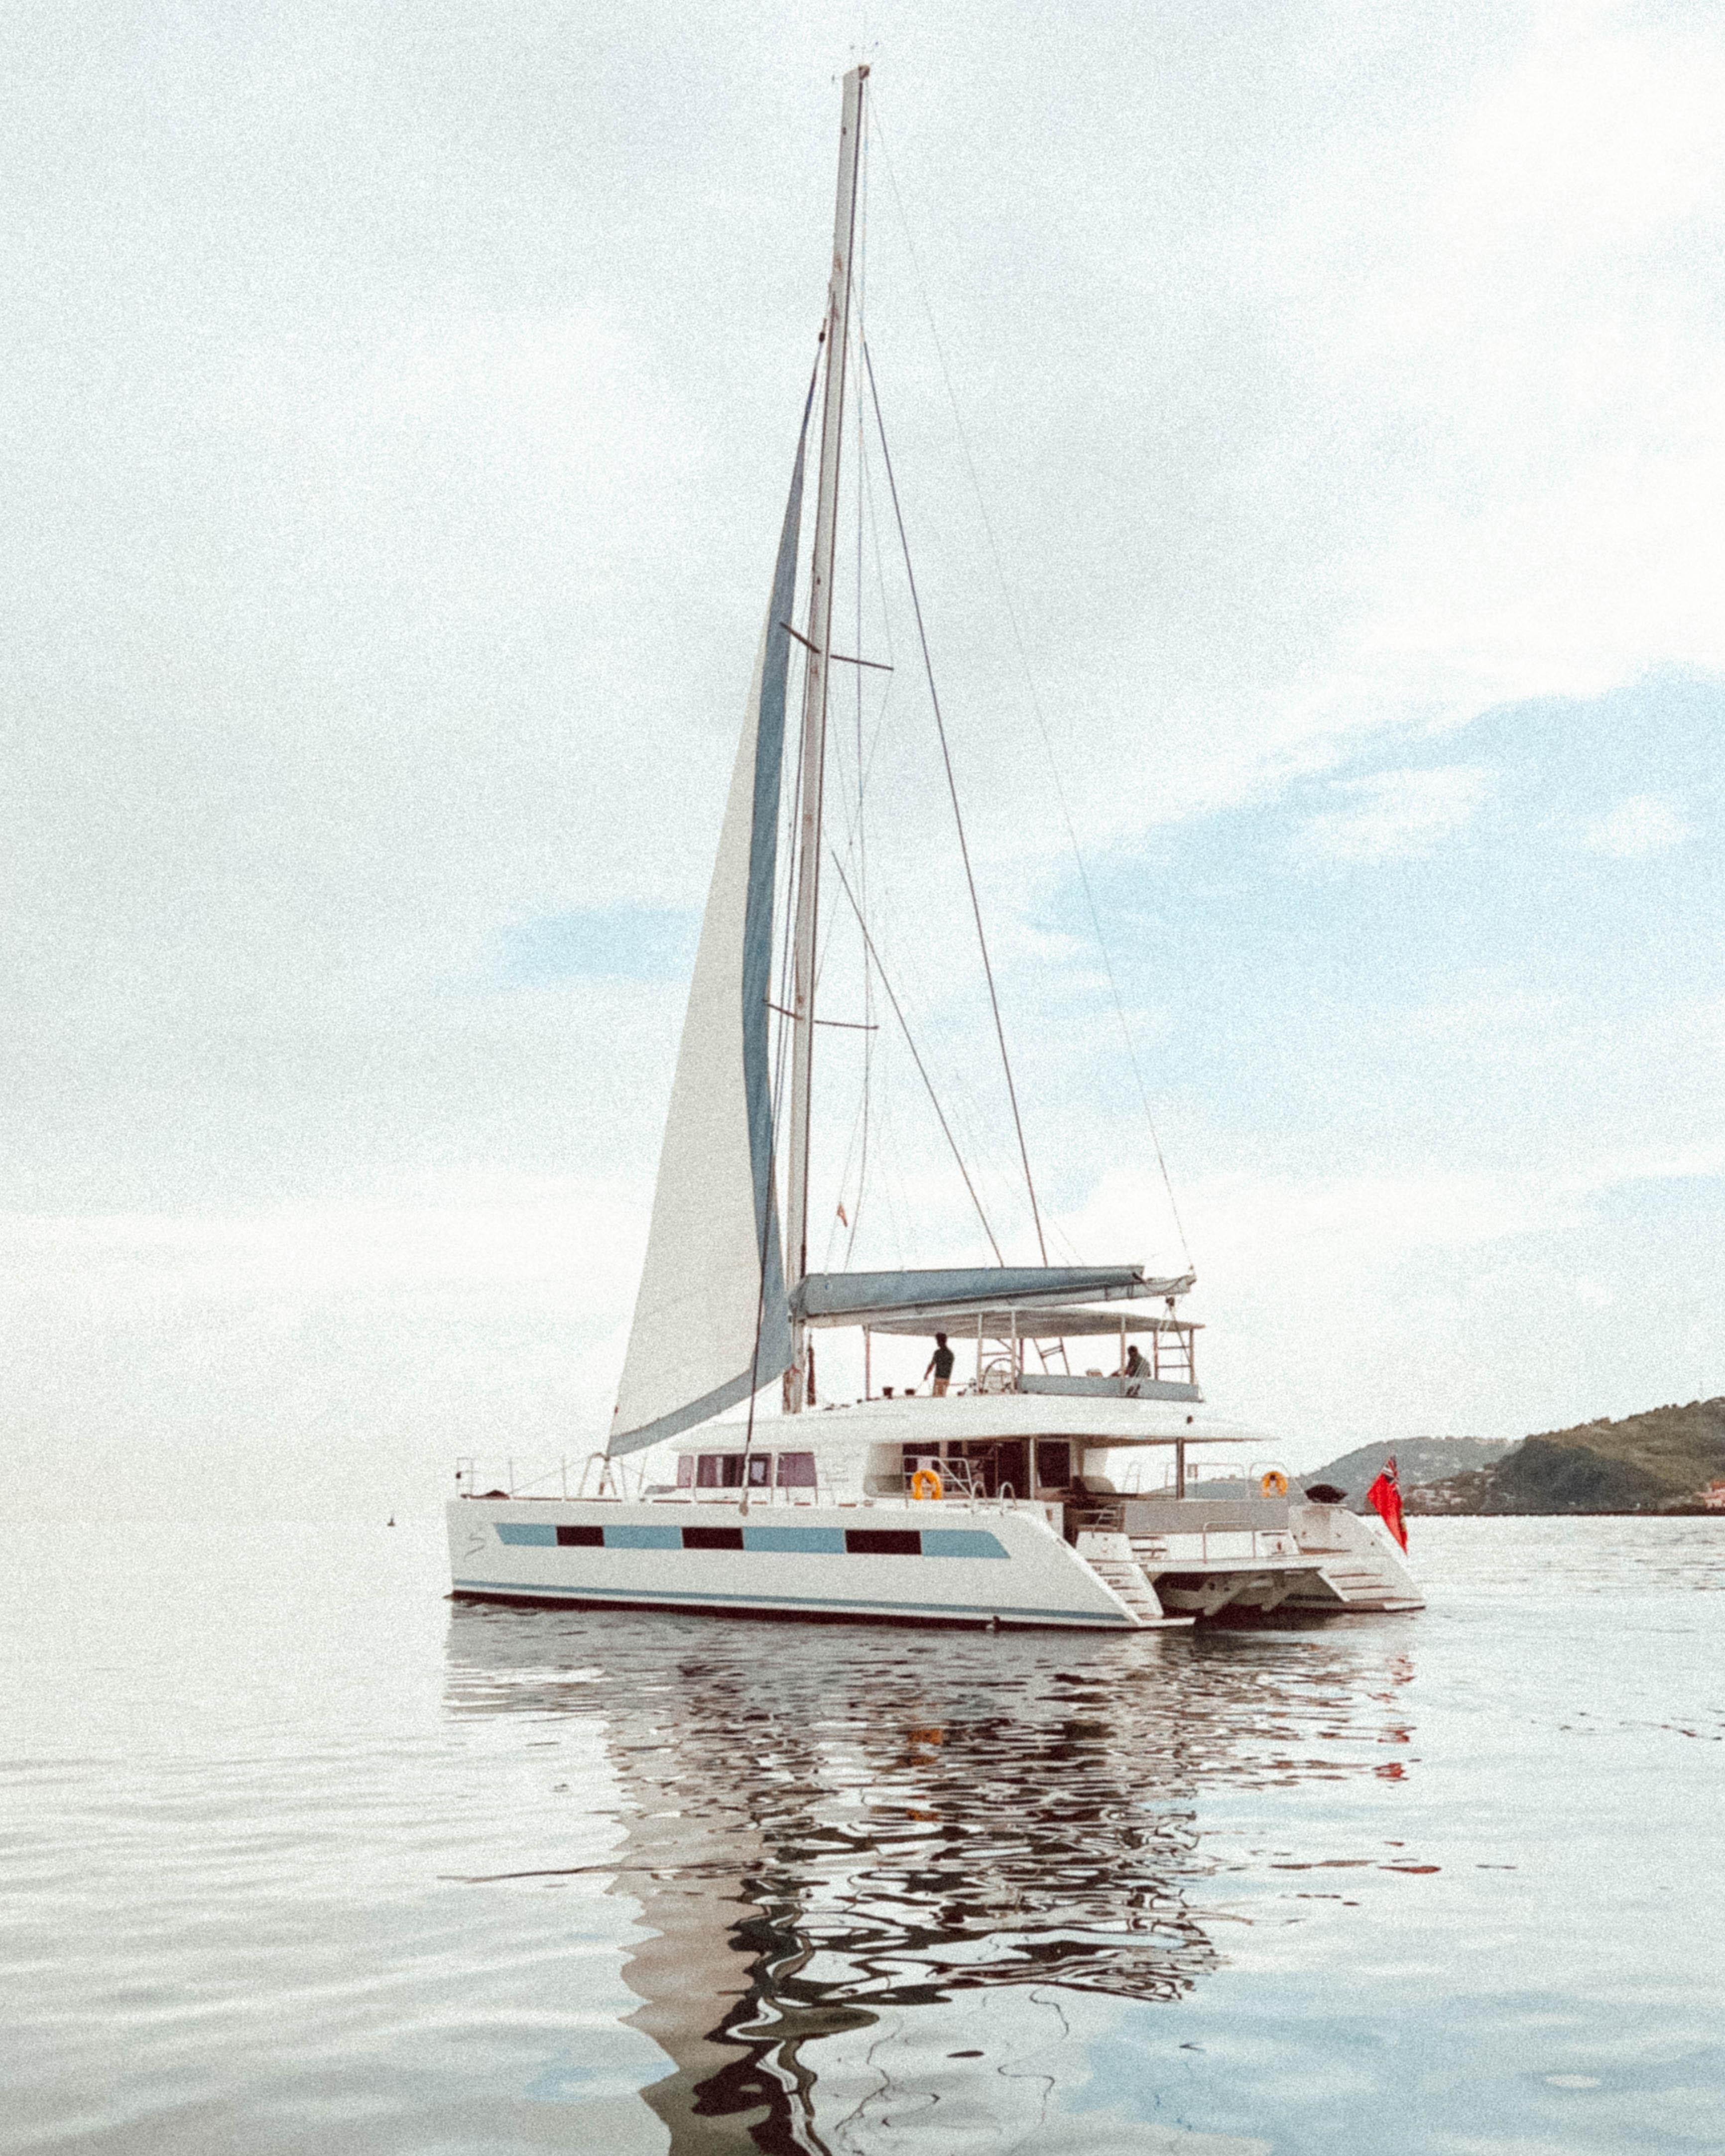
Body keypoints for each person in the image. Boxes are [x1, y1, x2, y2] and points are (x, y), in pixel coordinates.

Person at [924, 1332, 956, 1397]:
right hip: (947, 1379)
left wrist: (927, 1374)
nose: (937, 1343)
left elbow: (932, 1365)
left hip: (939, 1378)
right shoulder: (950, 1354)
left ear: (940, 1342)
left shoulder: (938, 1353)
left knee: (937, 1397)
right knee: (942, 1397)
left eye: (938, 1341)